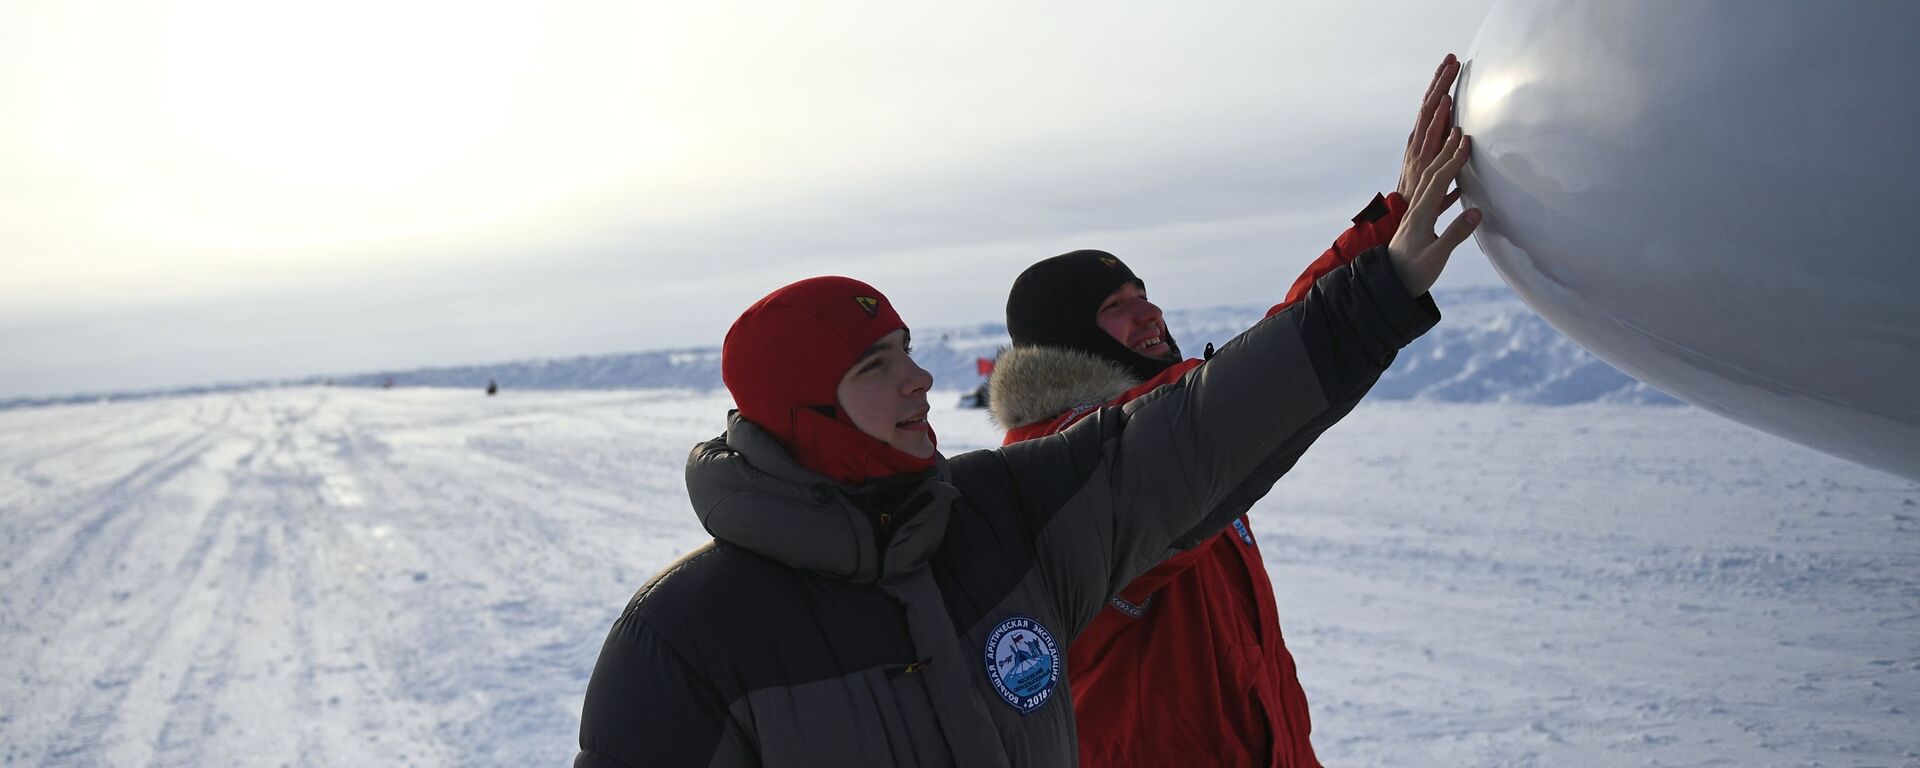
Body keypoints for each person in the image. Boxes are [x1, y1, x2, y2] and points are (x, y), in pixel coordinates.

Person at [574, 92, 1479, 768]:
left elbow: (1217, 408)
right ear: (797, 412)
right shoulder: (686, 637)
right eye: (873, 367)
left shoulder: (991, 515)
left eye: (907, 349)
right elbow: (1206, 418)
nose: (918, 378)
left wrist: (1384, 263)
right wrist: (1376, 271)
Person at [987, 54, 1462, 768]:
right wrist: (1381, 283)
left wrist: (1391, 219)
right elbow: (1250, 385)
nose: (1147, 311)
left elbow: (1261, 357)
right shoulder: (1067, 481)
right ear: (1066, 342)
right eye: (1115, 309)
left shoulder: (1169, 425)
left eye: (1142, 292)